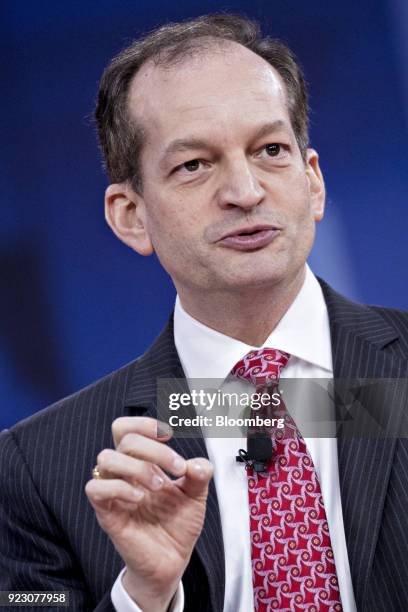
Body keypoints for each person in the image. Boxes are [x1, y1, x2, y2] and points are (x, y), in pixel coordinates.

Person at [1, 13, 407, 612]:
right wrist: (143, 594)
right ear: (130, 215)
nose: (244, 191)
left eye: (270, 150)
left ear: (313, 182)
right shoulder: (38, 469)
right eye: (194, 164)